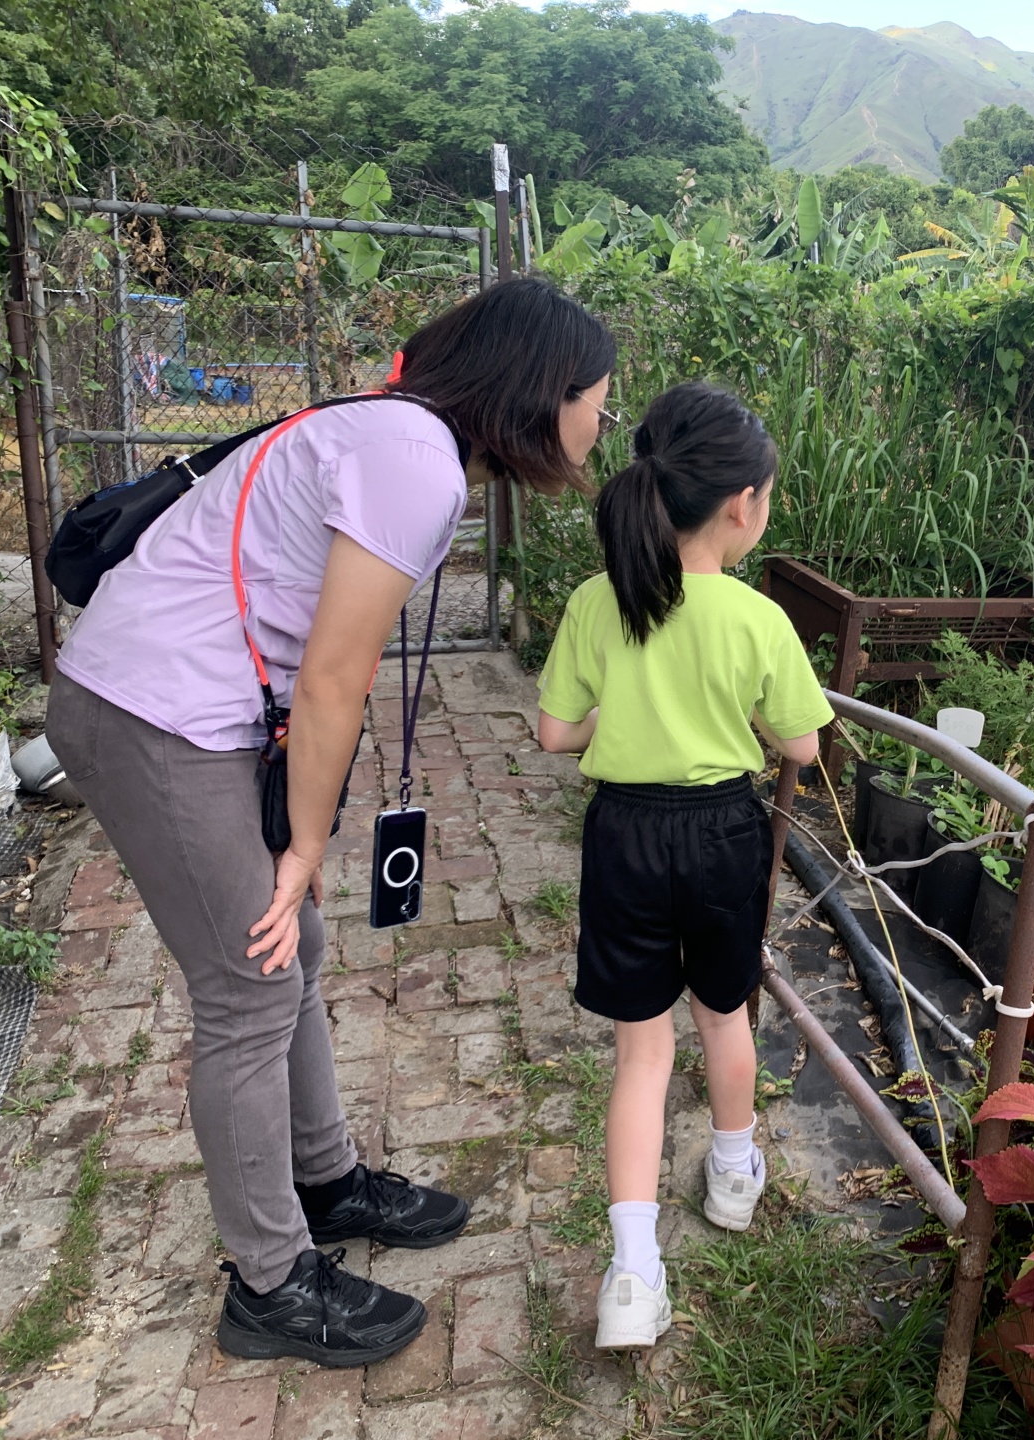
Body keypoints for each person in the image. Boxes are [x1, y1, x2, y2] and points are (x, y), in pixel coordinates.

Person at [46, 275, 617, 1366]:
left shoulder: (396, 434)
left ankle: (326, 1180)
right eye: (597, 397)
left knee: (289, 953)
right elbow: (332, 680)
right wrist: (305, 846)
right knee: (249, 987)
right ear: (543, 393)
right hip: (152, 712)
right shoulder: (414, 461)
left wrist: (302, 847)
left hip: (184, 702)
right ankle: (270, 1284)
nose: (600, 421)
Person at [536, 381, 831, 1348]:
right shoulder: (756, 618)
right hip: (722, 834)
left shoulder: (597, 600)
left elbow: (554, 733)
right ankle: (735, 1175)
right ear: (742, 504)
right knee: (724, 1012)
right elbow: (802, 747)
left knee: (641, 1050)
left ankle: (631, 1275)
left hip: (624, 835)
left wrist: (616, 719)